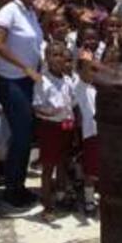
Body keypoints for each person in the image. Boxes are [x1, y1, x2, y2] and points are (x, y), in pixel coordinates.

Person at [0, 0, 47, 208]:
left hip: (28, 81)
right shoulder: (9, 11)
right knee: (22, 134)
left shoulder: (31, 12)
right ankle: (12, 189)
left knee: (25, 135)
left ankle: (18, 184)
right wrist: (25, 67)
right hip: (12, 80)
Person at [33, 42, 76, 222]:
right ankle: (47, 204)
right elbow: (35, 107)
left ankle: (60, 195)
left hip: (66, 127)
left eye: (61, 55)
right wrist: (49, 112)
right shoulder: (42, 81)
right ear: (47, 58)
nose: (58, 59)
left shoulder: (67, 80)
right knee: (48, 166)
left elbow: (72, 103)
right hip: (50, 128)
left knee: (63, 162)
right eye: (54, 55)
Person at [74, 50, 101, 215]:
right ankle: (89, 200)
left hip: (98, 133)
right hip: (86, 134)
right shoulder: (76, 87)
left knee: (99, 168)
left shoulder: (94, 88)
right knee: (89, 171)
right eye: (90, 69)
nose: (93, 73)